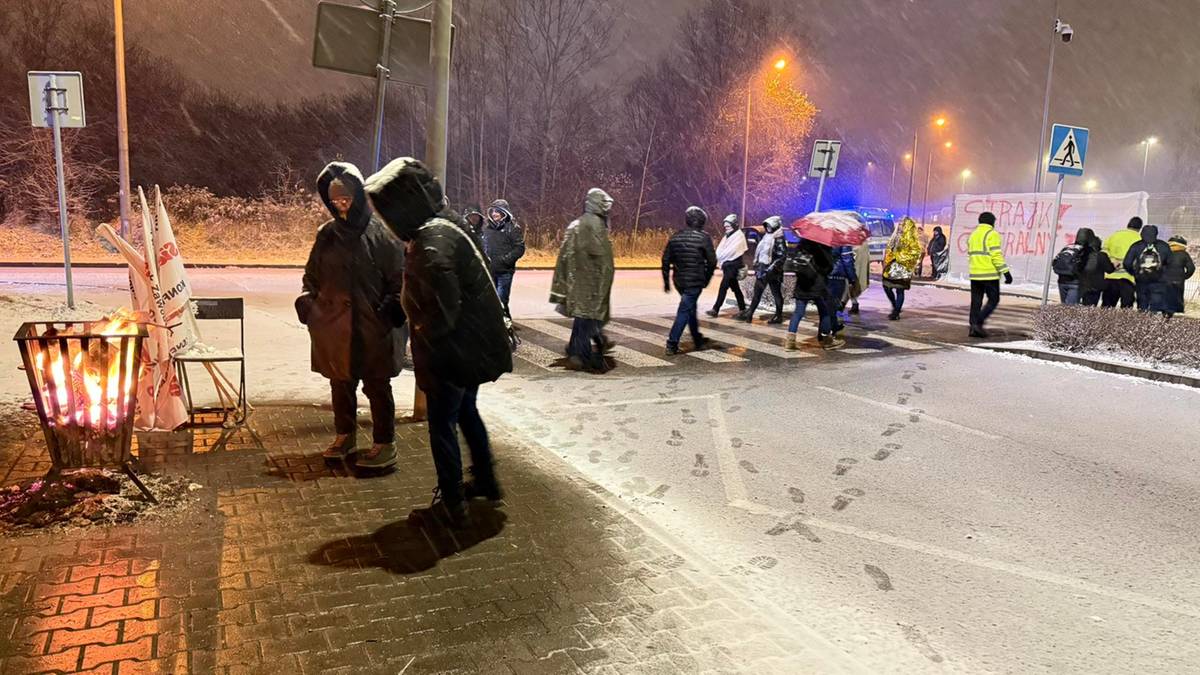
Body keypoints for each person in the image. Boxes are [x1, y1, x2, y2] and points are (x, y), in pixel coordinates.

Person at [365, 157, 514, 527]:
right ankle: (486, 480)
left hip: (455, 353)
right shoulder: (447, 224)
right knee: (466, 412)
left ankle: (452, 503)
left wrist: (422, 338)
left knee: (442, 425)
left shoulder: (430, 241)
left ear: (400, 206)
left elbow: (439, 307)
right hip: (474, 345)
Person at [296, 162, 406, 469]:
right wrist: (309, 302)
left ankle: (385, 443)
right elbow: (312, 276)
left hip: (373, 327)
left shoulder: (381, 234)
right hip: (334, 328)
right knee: (340, 384)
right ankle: (344, 435)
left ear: (358, 195)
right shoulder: (326, 235)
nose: (340, 204)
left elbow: (399, 278)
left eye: (346, 198)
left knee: (377, 386)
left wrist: (392, 308)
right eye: (334, 200)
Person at [550, 188, 616, 372]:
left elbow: (564, 256)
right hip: (591, 284)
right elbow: (605, 263)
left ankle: (576, 349)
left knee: (582, 319)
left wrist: (562, 283)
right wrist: (604, 285)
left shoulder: (575, 225)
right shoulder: (596, 227)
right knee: (588, 319)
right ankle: (582, 355)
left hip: (575, 282)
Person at [662, 206, 717, 355]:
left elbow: (666, 259)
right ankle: (672, 343)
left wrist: (666, 281)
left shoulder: (676, 236)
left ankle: (697, 338)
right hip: (694, 281)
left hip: (679, 281)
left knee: (689, 308)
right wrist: (706, 277)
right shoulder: (704, 237)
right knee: (685, 310)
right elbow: (712, 262)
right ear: (701, 221)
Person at [785, 238, 840, 350]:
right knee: (824, 312)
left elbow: (795, 262)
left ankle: (790, 341)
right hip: (817, 285)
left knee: (798, 312)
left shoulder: (802, 244)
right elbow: (829, 267)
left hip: (802, 284)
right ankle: (827, 340)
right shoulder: (823, 245)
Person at [967, 211, 1012, 338]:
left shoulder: (973, 235)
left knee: (976, 302)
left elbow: (970, 255)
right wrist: (1006, 272)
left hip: (975, 274)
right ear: (992, 222)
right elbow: (996, 255)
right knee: (994, 299)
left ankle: (972, 327)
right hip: (989, 274)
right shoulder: (992, 234)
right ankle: (978, 322)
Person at [481, 198, 526, 315]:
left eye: (497, 211)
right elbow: (483, 247)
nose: (494, 214)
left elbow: (519, 248)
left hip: (504, 272)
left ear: (504, 212)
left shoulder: (513, 228)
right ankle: (494, 328)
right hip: (490, 271)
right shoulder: (488, 229)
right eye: (493, 211)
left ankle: (506, 327)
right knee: (491, 302)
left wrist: (505, 260)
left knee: (501, 302)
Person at [737, 216, 786, 324]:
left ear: (775, 225)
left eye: (769, 225)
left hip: (773, 271)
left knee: (775, 293)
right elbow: (761, 251)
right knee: (758, 292)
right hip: (763, 268)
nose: (768, 228)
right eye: (766, 226)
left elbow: (781, 256)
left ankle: (778, 315)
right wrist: (758, 264)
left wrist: (771, 269)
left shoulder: (779, 238)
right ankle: (750, 314)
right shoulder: (766, 237)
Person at [1122, 224, 1173, 313]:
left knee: (1142, 304)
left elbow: (1127, 263)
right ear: (1156, 234)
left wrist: (1134, 273)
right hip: (1158, 281)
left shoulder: (1136, 246)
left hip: (1141, 280)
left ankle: (1143, 323)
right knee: (1155, 304)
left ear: (1142, 234)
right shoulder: (1164, 246)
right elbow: (1171, 263)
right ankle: (1152, 323)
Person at [706, 214, 748, 317]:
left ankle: (715, 309)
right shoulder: (727, 236)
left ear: (734, 225)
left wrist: (721, 258)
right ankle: (743, 308)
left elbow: (731, 251)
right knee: (736, 288)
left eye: (728, 226)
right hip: (727, 266)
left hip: (733, 266)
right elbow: (720, 250)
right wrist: (720, 258)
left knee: (723, 286)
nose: (726, 228)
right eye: (725, 226)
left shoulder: (739, 236)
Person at [882, 217, 921, 321]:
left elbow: (915, 252)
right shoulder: (894, 236)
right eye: (899, 224)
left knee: (900, 290)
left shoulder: (911, 238)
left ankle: (896, 312)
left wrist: (900, 256)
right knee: (886, 287)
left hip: (903, 267)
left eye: (902, 224)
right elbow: (889, 249)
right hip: (891, 266)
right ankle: (895, 307)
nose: (900, 226)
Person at [1102, 217, 1143, 308]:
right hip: (1128, 279)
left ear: (1128, 224)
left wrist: (1112, 262)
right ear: (1140, 228)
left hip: (1111, 277)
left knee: (1106, 310)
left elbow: (1104, 252)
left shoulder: (1114, 235)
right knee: (1126, 311)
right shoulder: (1140, 239)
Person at [1052, 228, 1094, 305]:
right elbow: (1090, 267)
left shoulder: (1069, 247)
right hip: (1076, 282)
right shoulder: (1088, 250)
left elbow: (1055, 261)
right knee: (1070, 310)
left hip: (1062, 280)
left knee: (1064, 307)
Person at [1079, 232, 1115, 307]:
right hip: (1096, 286)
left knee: (1085, 305)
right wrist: (1114, 265)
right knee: (1091, 306)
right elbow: (1110, 269)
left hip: (1084, 284)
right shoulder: (1102, 255)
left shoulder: (1084, 254)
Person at [1164, 236, 1195, 316]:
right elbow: (1191, 268)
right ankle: (1178, 313)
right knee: (1178, 297)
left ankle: (1165, 313)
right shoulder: (1184, 254)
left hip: (1165, 281)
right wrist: (1184, 277)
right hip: (1178, 281)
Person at [848, 239, 871, 315]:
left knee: (851, 285)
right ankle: (854, 303)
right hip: (853, 266)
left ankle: (853, 304)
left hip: (854, 267)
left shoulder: (860, 243)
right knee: (851, 286)